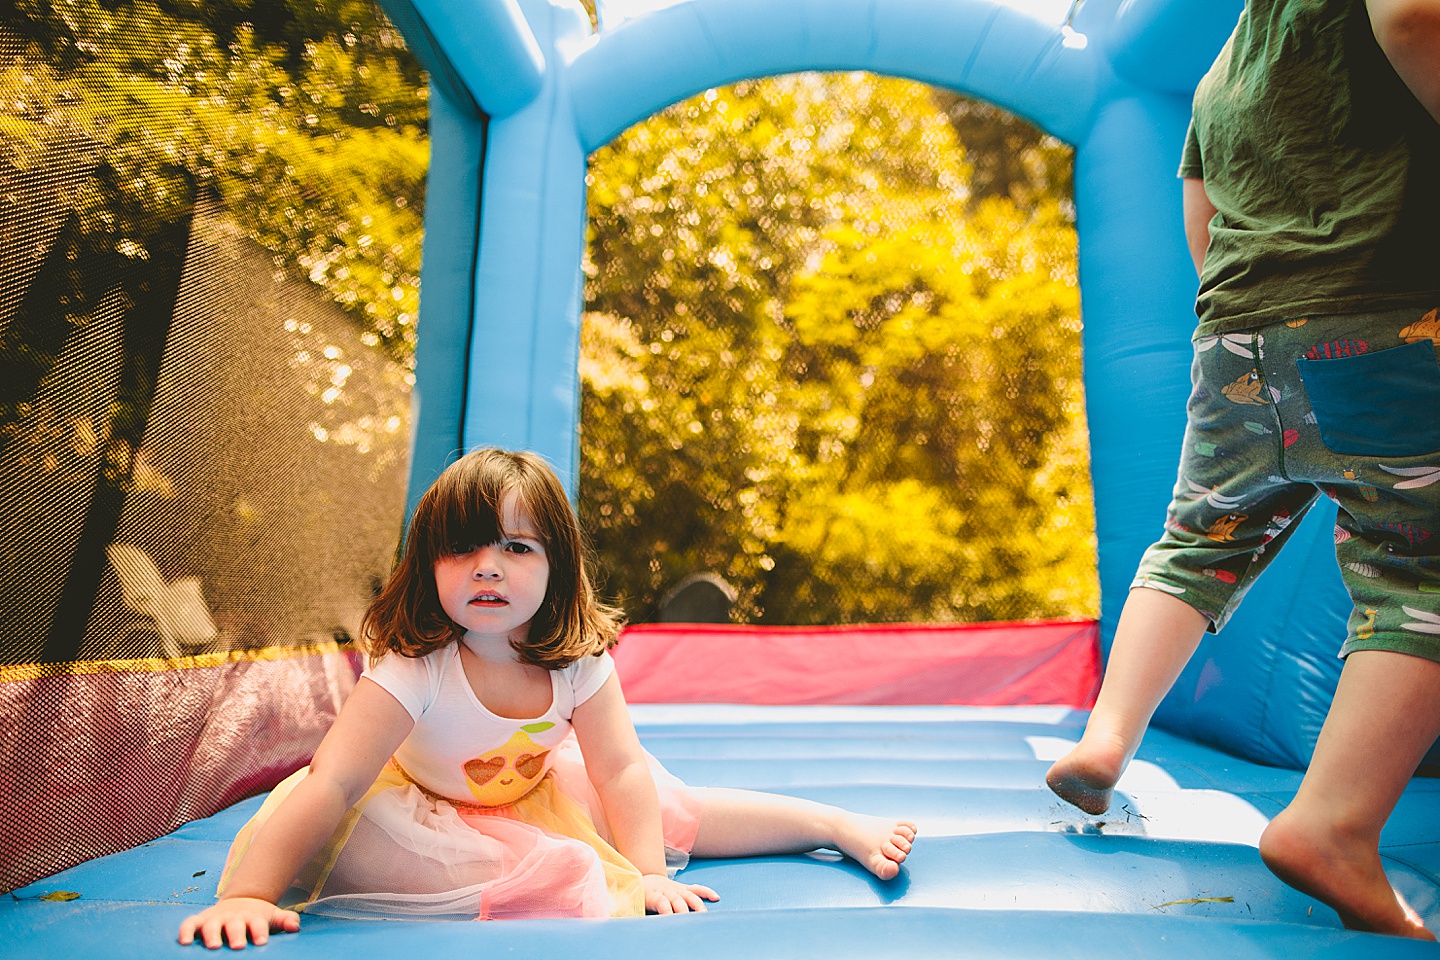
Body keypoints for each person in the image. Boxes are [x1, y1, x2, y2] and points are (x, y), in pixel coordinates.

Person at [1046, 0, 1440, 941]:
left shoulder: (1229, 61)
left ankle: (1106, 740)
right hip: (1380, 310)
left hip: (1236, 329)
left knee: (1195, 542)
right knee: (1418, 568)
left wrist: (1249, 326)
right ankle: (1334, 824)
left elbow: (1202, 212)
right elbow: (1416, 17)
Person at [179, 448, 916, 949]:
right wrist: (248, 892)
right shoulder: (417, 665)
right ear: (427, 565)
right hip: (416, 806)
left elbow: (620, 770)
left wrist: (650, 873)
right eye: (462, 549)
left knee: (666, 809)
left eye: (516, 548)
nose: (487, 568)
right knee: (478, 861)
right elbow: (333, 780)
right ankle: (558, 869)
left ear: (556, 565)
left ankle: (829, 821)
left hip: (535, 791)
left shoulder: (576, 663)